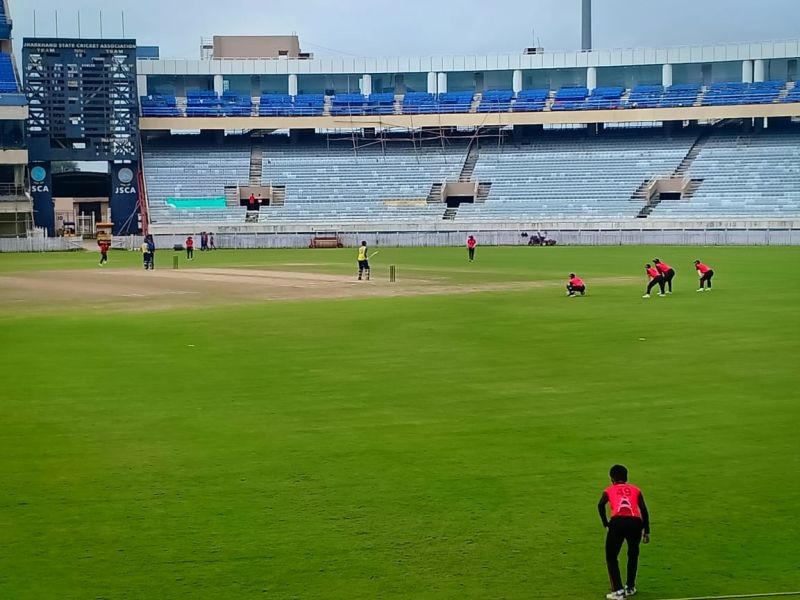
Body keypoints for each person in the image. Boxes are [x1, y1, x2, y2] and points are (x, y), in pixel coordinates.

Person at [598, 464, 651, 600]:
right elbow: (644, 510)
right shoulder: (635, 490)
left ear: (612, 479)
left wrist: (606, 523)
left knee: (611, 556)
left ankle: (618, 590)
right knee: (633, 554)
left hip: (618, 522)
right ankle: (630, 587)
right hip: (635, 523)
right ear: (626, 477)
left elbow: (600, 505)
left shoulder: (609, 490)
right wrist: (646, 530)